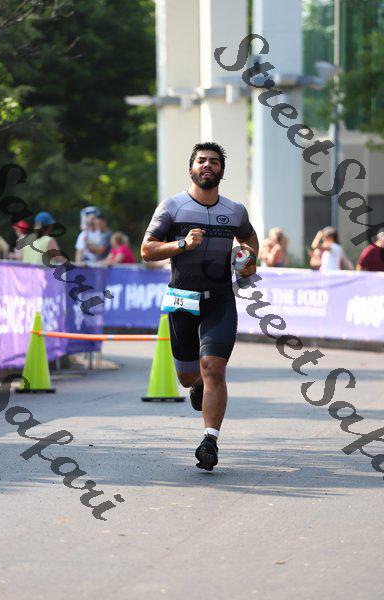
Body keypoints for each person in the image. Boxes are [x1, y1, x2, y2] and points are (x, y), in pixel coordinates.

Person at [141, 142, 258, 471]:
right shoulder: (172, 207)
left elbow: (249, 239)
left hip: (220, 300)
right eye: (202, 161)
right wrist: (182, 244)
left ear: (222, 170)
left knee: (214, 368)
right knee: (188, 375)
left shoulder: (235, 210)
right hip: (182, 299)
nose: (208, 165)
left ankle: (210, 440)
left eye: (214, 162)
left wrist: (248, 259)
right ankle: (196, 385)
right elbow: (147, 250)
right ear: (191, 168)